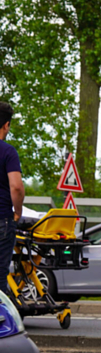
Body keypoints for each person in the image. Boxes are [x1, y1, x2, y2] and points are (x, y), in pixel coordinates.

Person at [0, 101, 24, 297]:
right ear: (6, 125)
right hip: (2, 219)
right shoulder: (8, 152)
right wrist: (18, 211)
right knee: (0, 275)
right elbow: (16, 186)